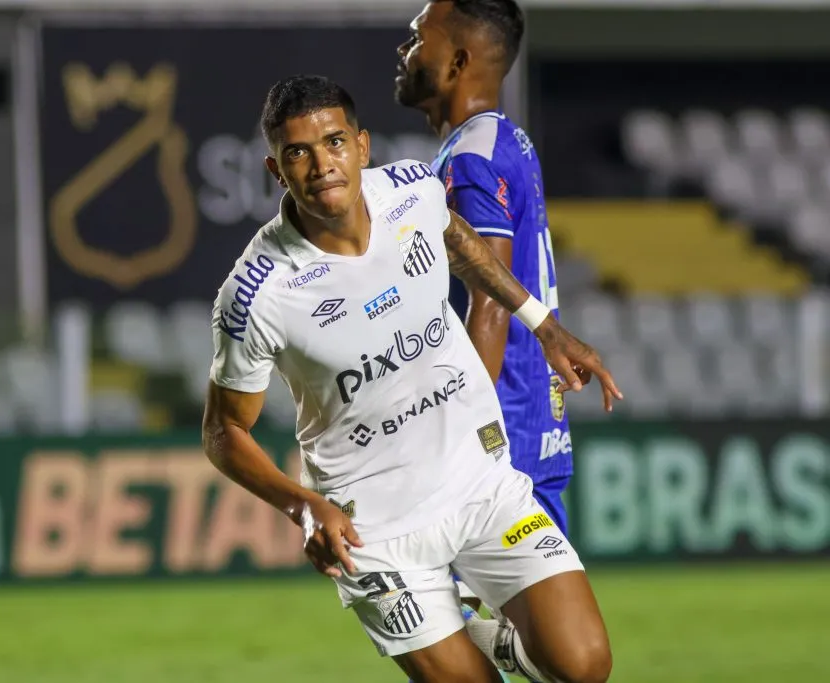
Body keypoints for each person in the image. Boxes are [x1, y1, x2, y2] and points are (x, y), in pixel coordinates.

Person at [203, 74, 620, 683]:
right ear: (276, 170)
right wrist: (305, 509)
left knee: (584, 665)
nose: (322, 164)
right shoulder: (256, 293)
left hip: (479, 485)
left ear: (363, 146)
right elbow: (223, 434)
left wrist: (542, 324)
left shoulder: (411, 191)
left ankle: (490, 639)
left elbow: (460, 240)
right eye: (299, 152)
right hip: (373, 530)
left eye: (334, 142)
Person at [395, 0, 584, 628]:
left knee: (471, 637)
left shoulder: (471, 157)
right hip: (531, 427)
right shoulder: (503, 139)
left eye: (418, 37)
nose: (405, 49)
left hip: (497, 442)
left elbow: (488, 303)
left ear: (456, 61)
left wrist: (458, 438)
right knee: (521, 642)